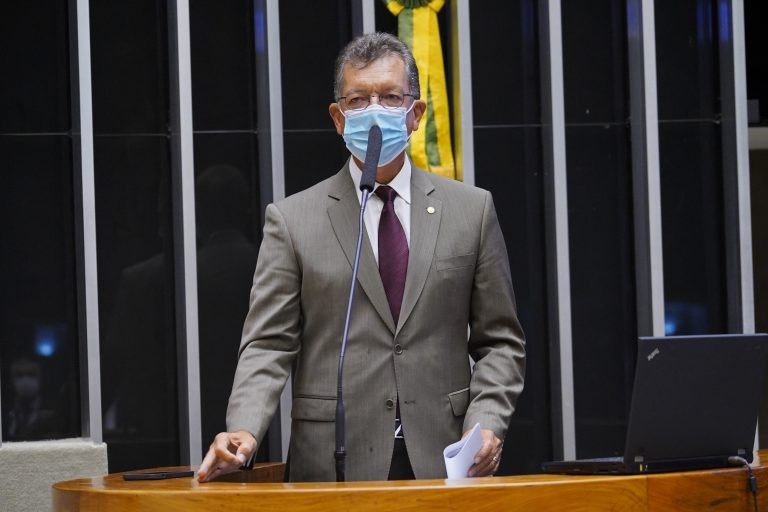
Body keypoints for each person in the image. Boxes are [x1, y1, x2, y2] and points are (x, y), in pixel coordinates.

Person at [198, 32, 525, 483]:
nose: (374, 111)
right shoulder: (293, 220)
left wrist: (485, 424)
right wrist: (243, 428)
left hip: (445, 456)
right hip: (333, 460)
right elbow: (268, 344)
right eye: (357, 99)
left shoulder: (471, 211)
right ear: (338, 117)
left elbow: (500, 341)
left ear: (416, 114)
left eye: (390, 97)